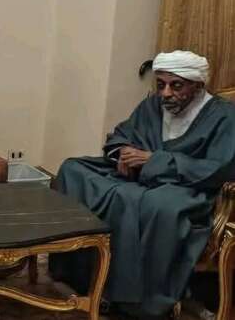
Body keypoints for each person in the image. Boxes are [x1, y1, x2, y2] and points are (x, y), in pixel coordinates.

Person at [49, 50, 235, 318]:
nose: (166, 93)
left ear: (197, 85)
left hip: (186, 188)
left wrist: (154, 161)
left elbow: (220, 168)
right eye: (161, 85)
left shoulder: (224, 116)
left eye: (176, 86)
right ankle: (80, 276)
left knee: (156, 205)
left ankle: (136, 301)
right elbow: (121, 135)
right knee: (73, 168)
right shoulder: (152, 105)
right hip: (137, 178)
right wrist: (123, 153)